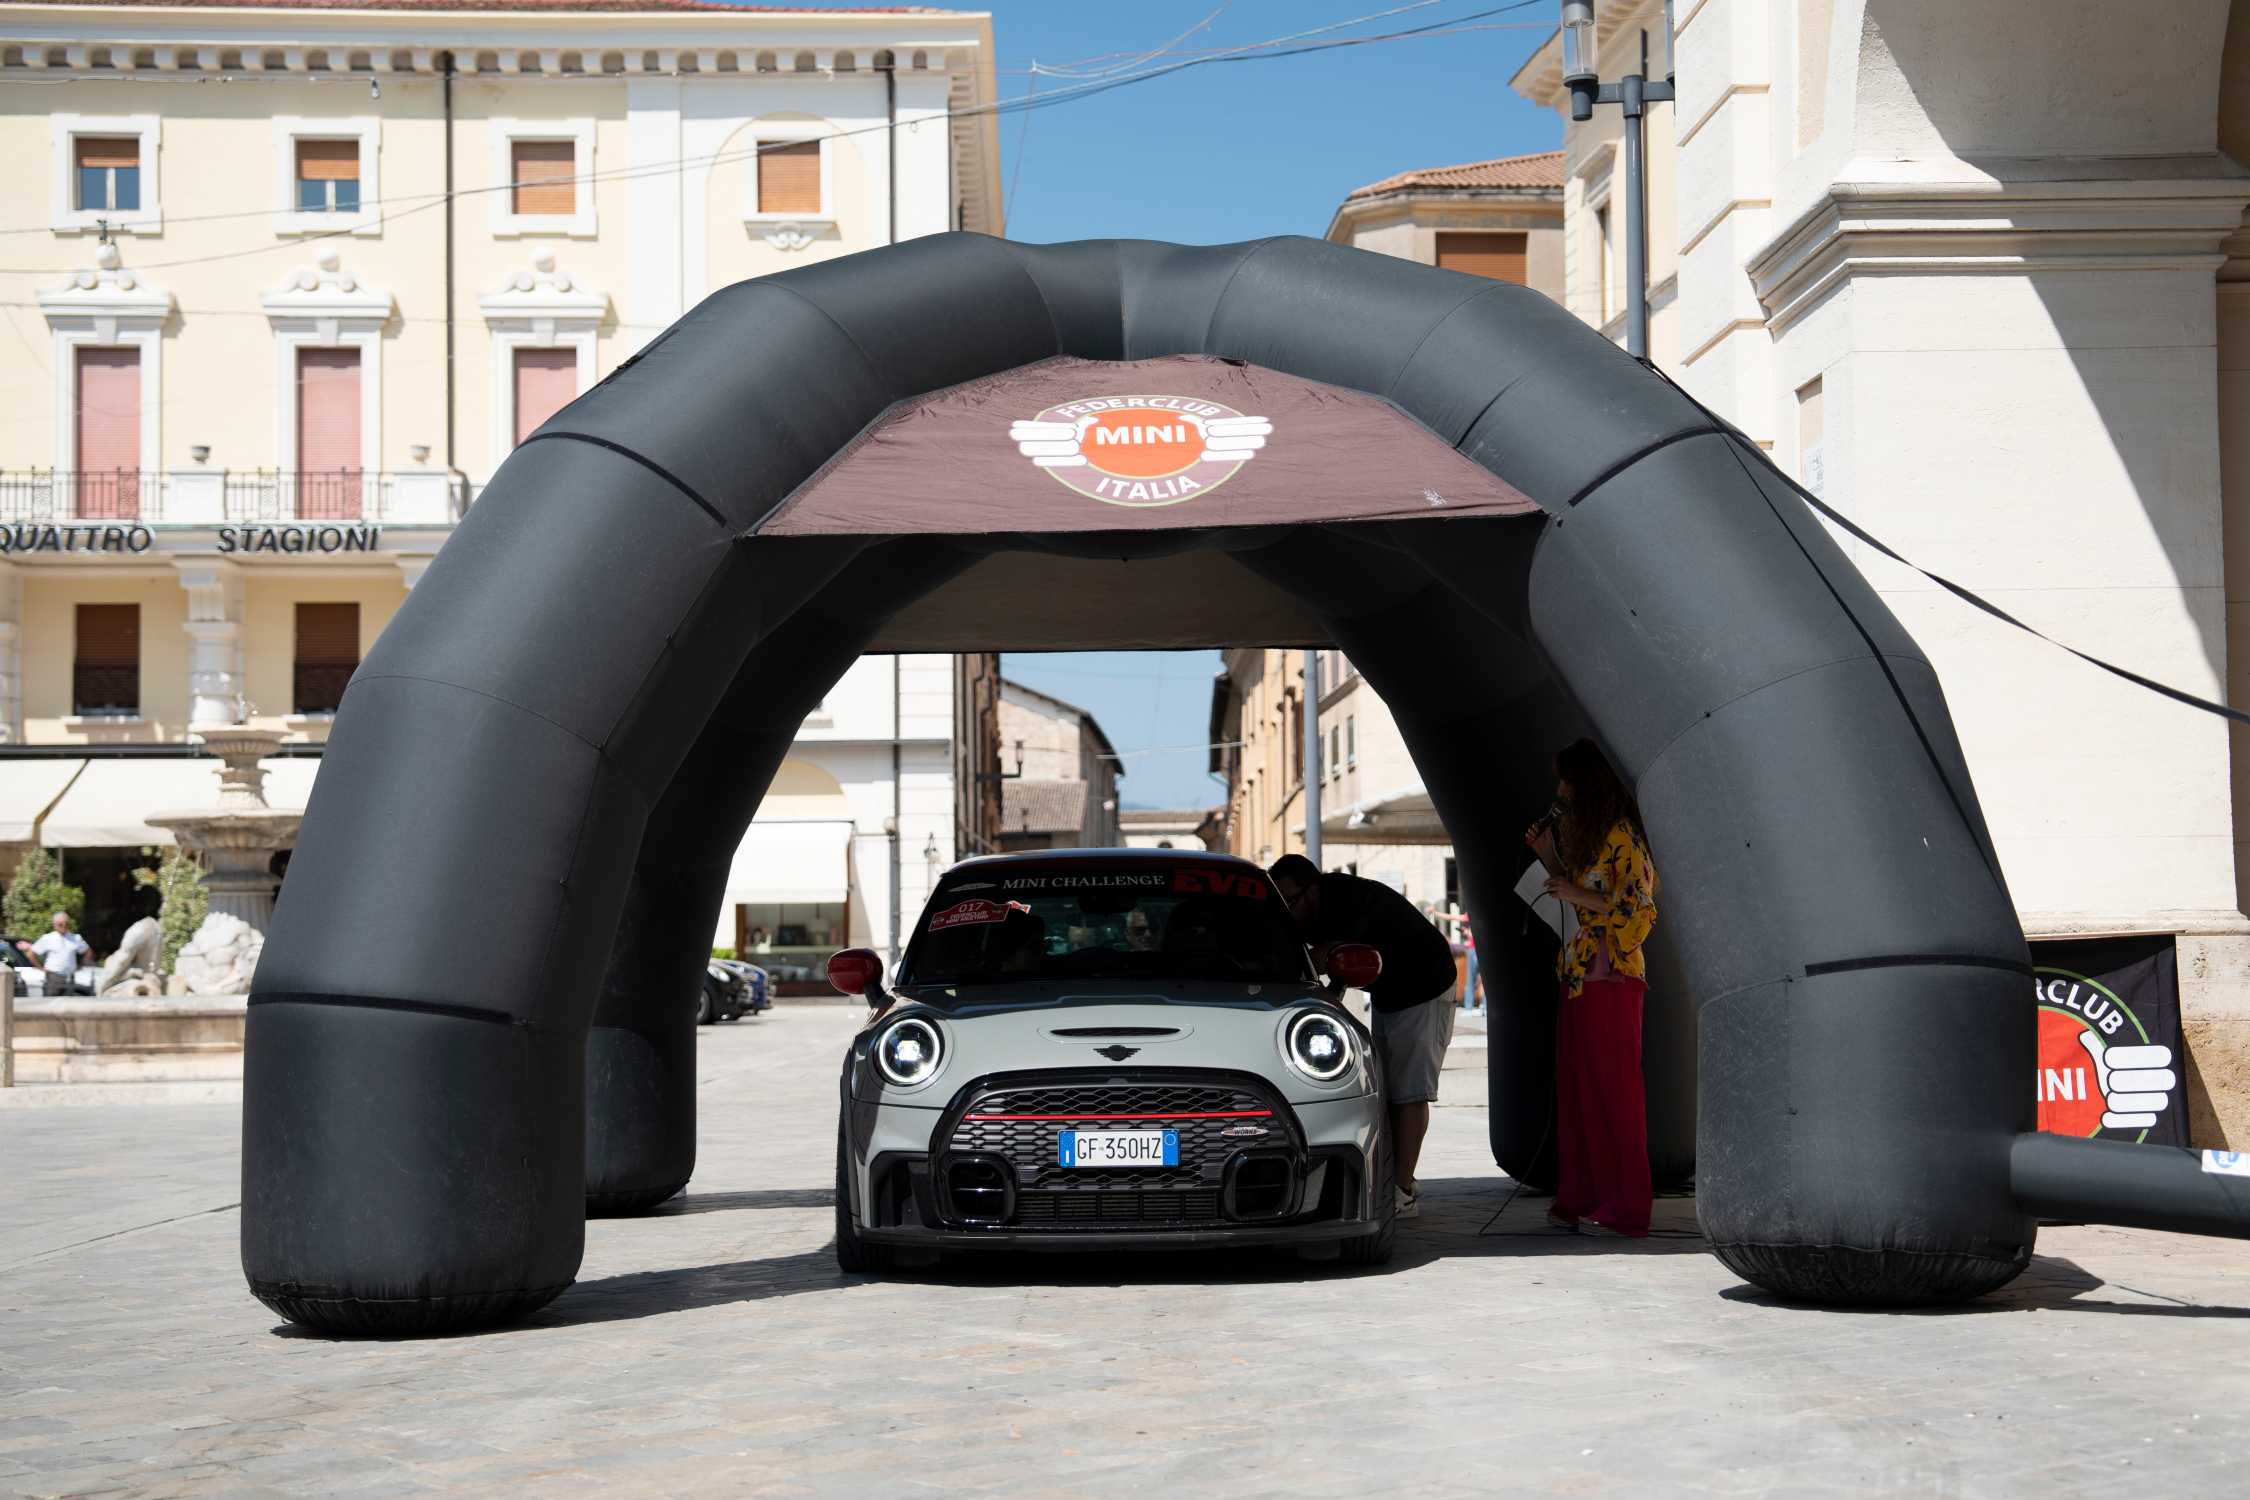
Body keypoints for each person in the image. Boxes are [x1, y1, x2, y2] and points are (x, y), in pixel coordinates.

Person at [1270, 854, 1459, 1220]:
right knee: (1388, 1090)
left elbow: (1327, 959)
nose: (1288, 912)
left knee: (1409, 1093)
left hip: (1425, 985)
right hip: (1390, 992)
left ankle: (1402, 1193)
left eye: (1290, 902)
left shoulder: (1348, 902)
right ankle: (1399, 1179)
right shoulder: (1308, 910)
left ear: (1313, 889)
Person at [1525, 738, 1659, 1238]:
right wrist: (1549, 858)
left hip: (1612, 975)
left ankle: (1627, 1208)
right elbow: (1580, 897)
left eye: (1569, 782)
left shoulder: (1624, 835)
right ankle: (1579, 1198)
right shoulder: (1593, 836)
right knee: (1581, 1093)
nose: (1561, 791)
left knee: (1614, 1094)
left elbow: (1640, 910)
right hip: (1580, 975)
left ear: (1590, 786)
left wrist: (1575, 890)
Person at [21, 910, 91, 994]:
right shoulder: (48, 938)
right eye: (60, 924)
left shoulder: (75, 938)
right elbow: (30, 954)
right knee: (51, 1001)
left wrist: (81, 966)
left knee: (69, 1001)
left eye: (66, 924)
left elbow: (88, 952)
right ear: (54, 925)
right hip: (53, 977)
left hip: (70, 976)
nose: (64, 926)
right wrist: (40, 968)